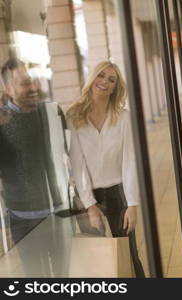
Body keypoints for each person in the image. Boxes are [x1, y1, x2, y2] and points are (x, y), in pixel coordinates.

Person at [66, 61, 145, 278]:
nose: (104, 82)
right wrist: (90, 205)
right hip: (88, 196)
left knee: (129, 255)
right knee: (96, 261)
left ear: (115, 88)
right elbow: (77, 164)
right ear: (92, 78)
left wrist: (133, 205)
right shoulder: (74, 117)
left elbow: (130, 163)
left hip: (118, 192)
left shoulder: (124, 118)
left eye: (111, 80)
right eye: (101, 76)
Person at [0, 58, 67, 276]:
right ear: (8, 89)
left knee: (62, 276)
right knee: (35, 278)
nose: (32, 88)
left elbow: (67, 152)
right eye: (24, 83)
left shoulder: (50, 112)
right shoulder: (2, 121)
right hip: (23, 218)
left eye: (32, 81)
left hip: (57, 212)